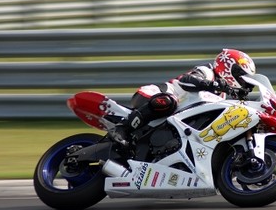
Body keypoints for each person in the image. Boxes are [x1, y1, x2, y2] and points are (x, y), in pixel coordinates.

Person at [110, 48, 257, 146]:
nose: (242, 81)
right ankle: (122, 128)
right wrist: (215, 84)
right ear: (227, 67)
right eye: (240, 75)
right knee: (167, 101)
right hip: (152, 96)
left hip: (170, 122)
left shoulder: (222, 96)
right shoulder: (207, 72)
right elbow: (186, 81)